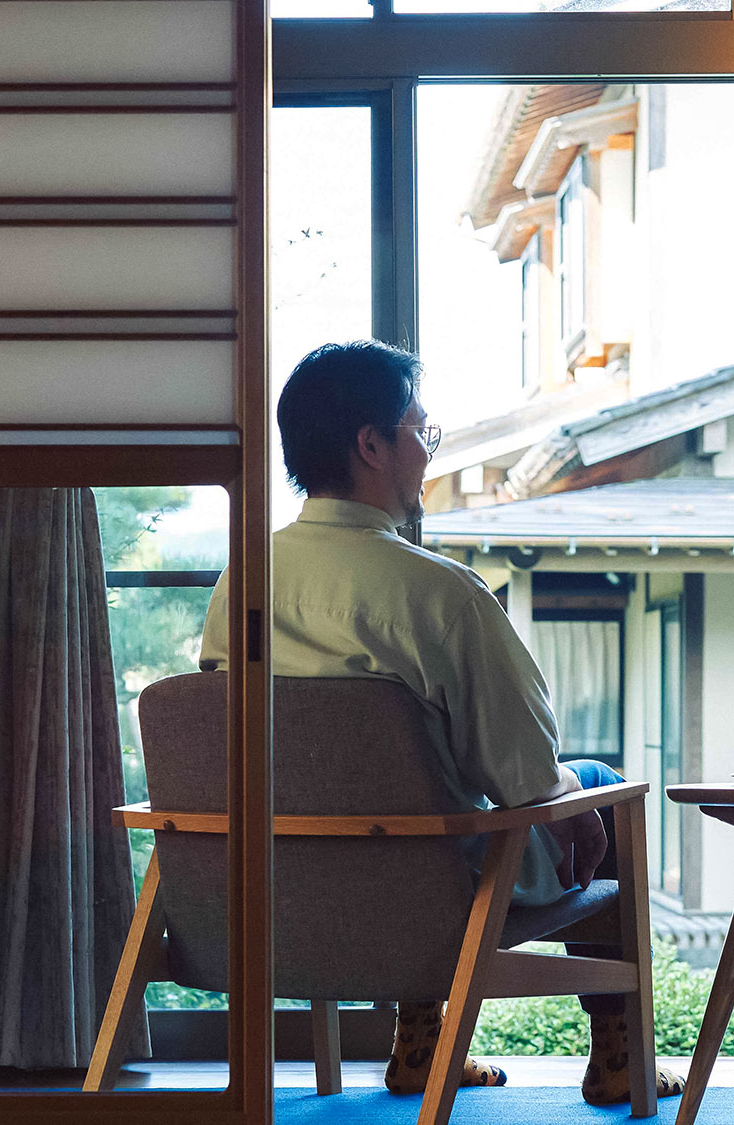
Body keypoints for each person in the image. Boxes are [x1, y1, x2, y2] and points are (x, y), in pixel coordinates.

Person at [197, 340, 684, 1106]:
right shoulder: (442, 596)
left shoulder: (241, 581)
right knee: (594, 787)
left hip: (272, 886)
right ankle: (619, 1058)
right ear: (371, 444)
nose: (428, 454)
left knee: (418, 789)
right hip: (429, 889)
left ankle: (421, 1047)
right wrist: (578, 803)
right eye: (423, 434)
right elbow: (524, 770)